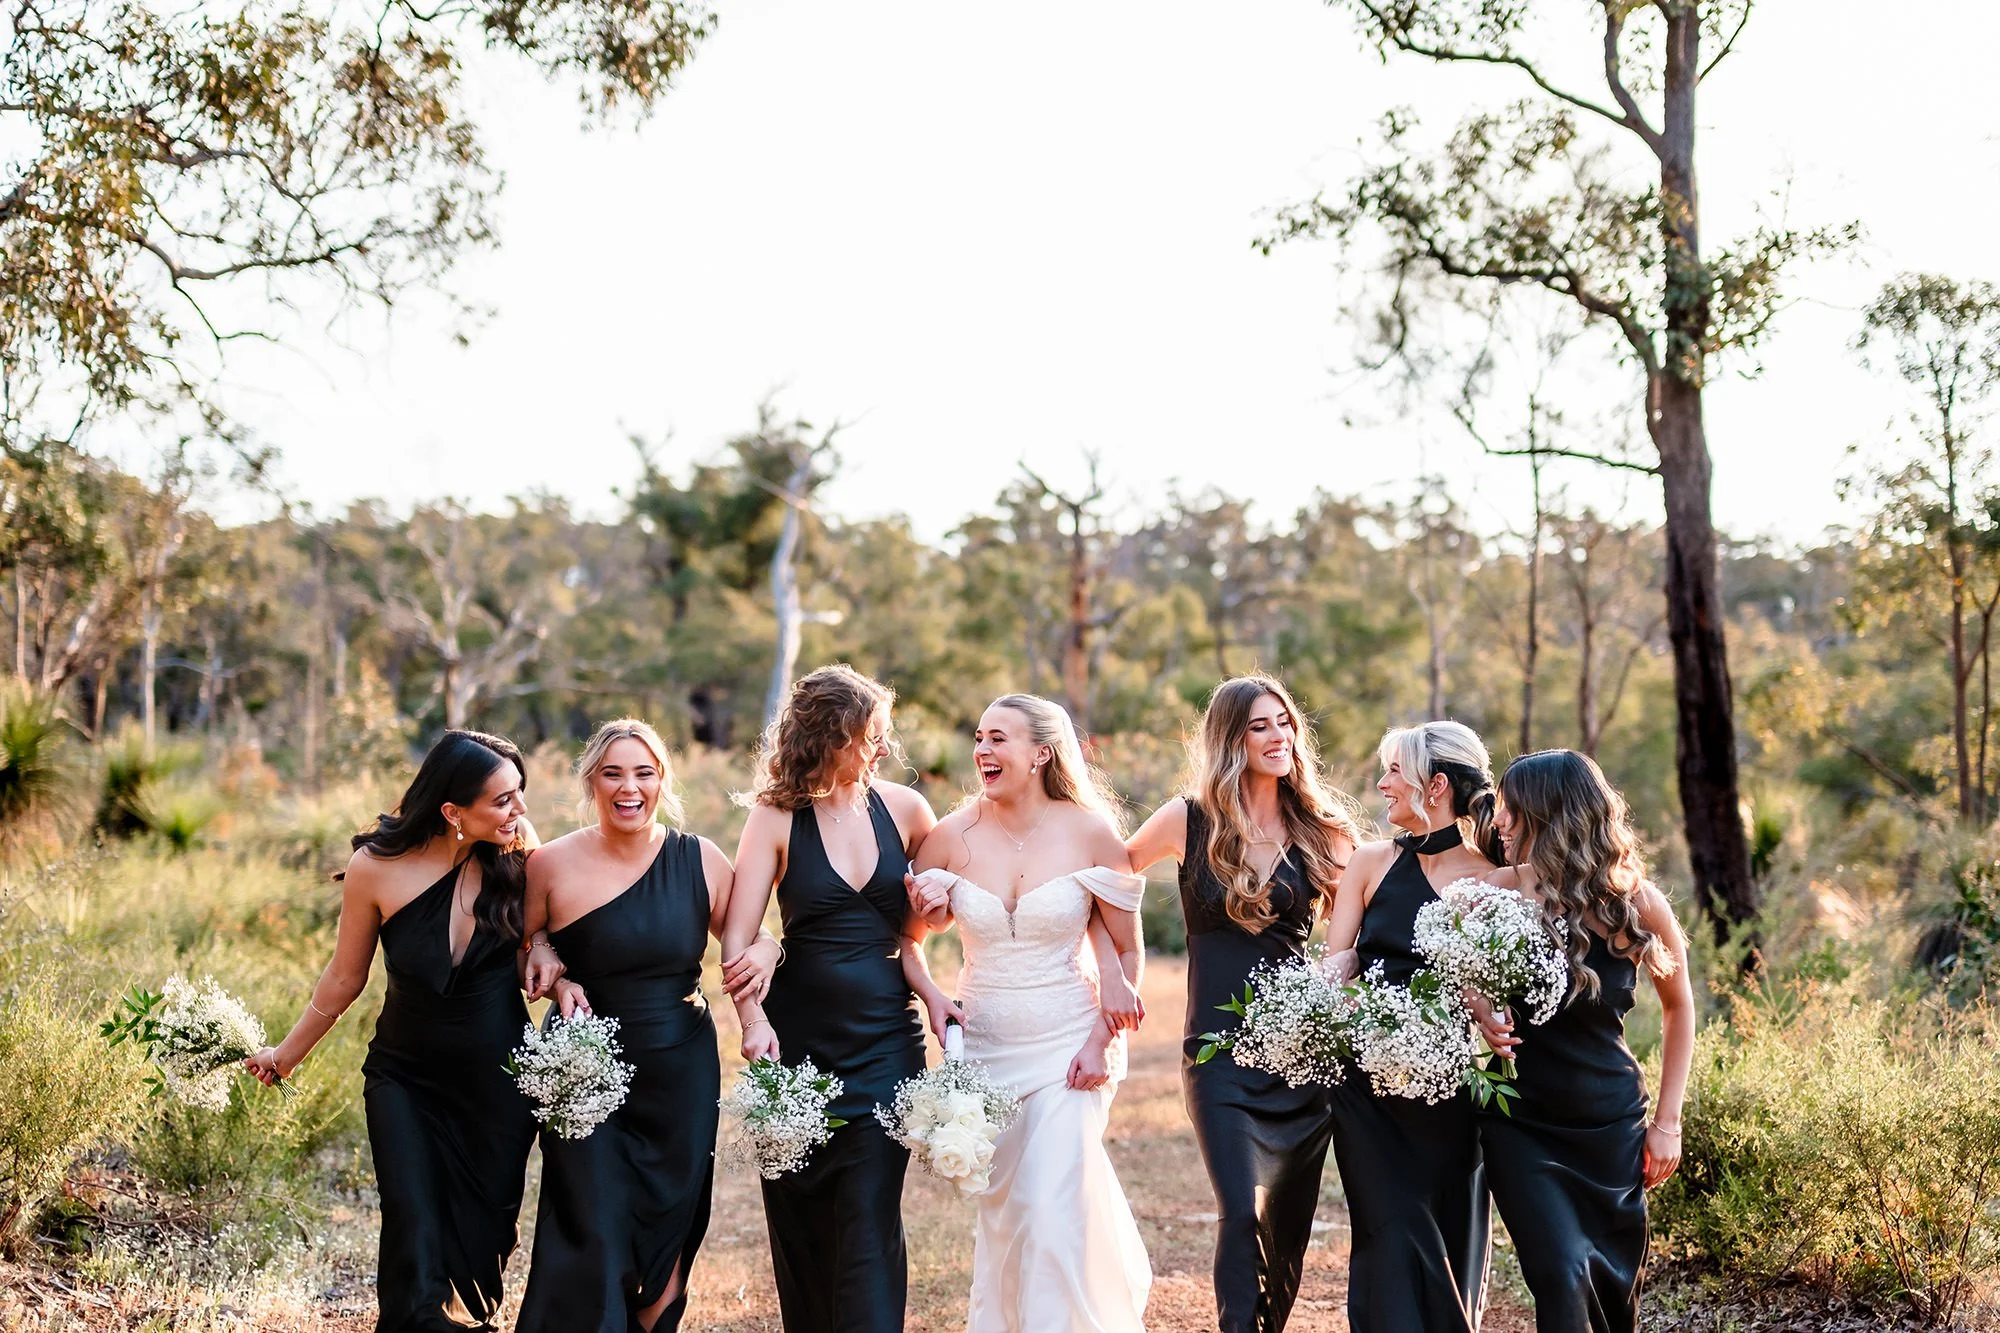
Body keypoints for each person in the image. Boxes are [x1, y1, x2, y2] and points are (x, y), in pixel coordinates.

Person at [246, 730, 565, 1332]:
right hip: (405, 1079)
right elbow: (344, 978)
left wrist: (546, 951)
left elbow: (543, 935)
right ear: (452, 811)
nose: (519, 809)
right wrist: (286, 1055)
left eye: (519, 793)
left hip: (499, 1085)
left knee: (483, 1232)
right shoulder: (376, 867)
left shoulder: (521, 849)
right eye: (502, 799)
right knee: (412, 1224)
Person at [514, 718, 779, 1333]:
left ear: (662, 780)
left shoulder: (700, 858)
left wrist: (769, 955)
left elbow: (745, 938)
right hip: (584, 1072)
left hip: (680, 1071)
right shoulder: (549, 864)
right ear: (592, 782)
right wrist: (548, 960)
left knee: (672, 1220)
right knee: (593, 1223)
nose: (628, 788)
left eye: (643, 773)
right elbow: (521, 944)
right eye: (612, 774)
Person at [903, 693, 1151, 1333]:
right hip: (987, 1050)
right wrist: (932, 986)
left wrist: (1100, 1040)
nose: (982, 750)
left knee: (1048, 1208)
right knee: (1010, 1216)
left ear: (1042, 753)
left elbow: (1127, 949)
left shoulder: (1090, 831)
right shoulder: (950, 835)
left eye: (999, 738)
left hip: (1070, 1046)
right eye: (979, 738)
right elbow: (908, 938)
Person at [1124, 675, 1360, 1333]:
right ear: (1232, 738)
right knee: (1237, 1209)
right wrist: (1119, 967)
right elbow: (1110, 872)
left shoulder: (1325, 832)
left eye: (1285, 722)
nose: (1279, 736)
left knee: (1287, 1227)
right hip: (1216, 1051)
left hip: (1300, 1052)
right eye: (1260, 725)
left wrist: (1341, 978)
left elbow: (1359, 935)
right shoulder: (1187, 819)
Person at [719, 665, 936, 1333]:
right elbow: (737, 935)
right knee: (804, 1224)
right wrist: (753, 1016)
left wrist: (938, 920)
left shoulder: (907, 811)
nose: (883, 748)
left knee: (870, 1219)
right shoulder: (775, 816)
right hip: (797, 1048)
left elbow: (923, 928)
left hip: (887, 1043)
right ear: (830, 736)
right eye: (870, 736)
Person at [1469, 750, 1693, 1333]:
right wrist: (1480, 1007)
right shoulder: (1495, 893)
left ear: (1548, 814)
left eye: (1511, 808)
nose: (1499, 821)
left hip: (1609, 1125)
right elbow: (1454, 973)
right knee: (1562, 1273)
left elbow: (1679, 1007)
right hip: (1521, 1125)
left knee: (1613, 1294)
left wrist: (1667, 1122)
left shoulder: (1638, 903)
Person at [1321, 720, 1502, 1333]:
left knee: (1446, 1235)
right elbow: (1336, 969)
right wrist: (1338, 984)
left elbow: (1492, 984)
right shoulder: (1369, 863)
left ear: (1437, 785)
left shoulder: (1493, 877)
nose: (1382, 783)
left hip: (1446, 1093)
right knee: (1387, 1230)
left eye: (1394, 771)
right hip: (1366, 1092)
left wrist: (1487, 1015)